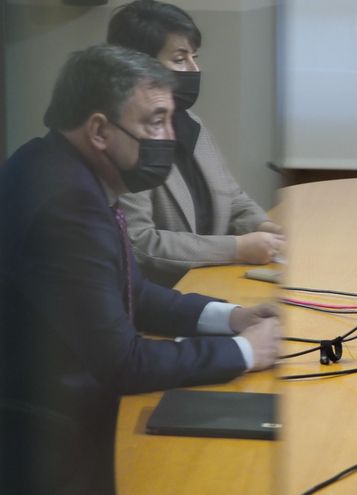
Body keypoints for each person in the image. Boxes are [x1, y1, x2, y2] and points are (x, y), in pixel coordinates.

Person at [0, 45, 281, 494]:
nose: (169, 136)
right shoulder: (66, 204)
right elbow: (123, 363)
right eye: (155, 122)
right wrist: (247, 352)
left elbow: (133, 291)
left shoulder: (62, 167)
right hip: (51, 436)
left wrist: (232, 318)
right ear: (98, 130)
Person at [106, 0, 285, 287]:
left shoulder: (190, 123)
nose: (194, 68)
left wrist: (265, 227)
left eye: (194, 56)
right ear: (138, 65)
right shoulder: (124, 140)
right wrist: (237, 248)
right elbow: (139, 243)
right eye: (179, 59)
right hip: (165, 295)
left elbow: (232, 197)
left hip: (215, 279)